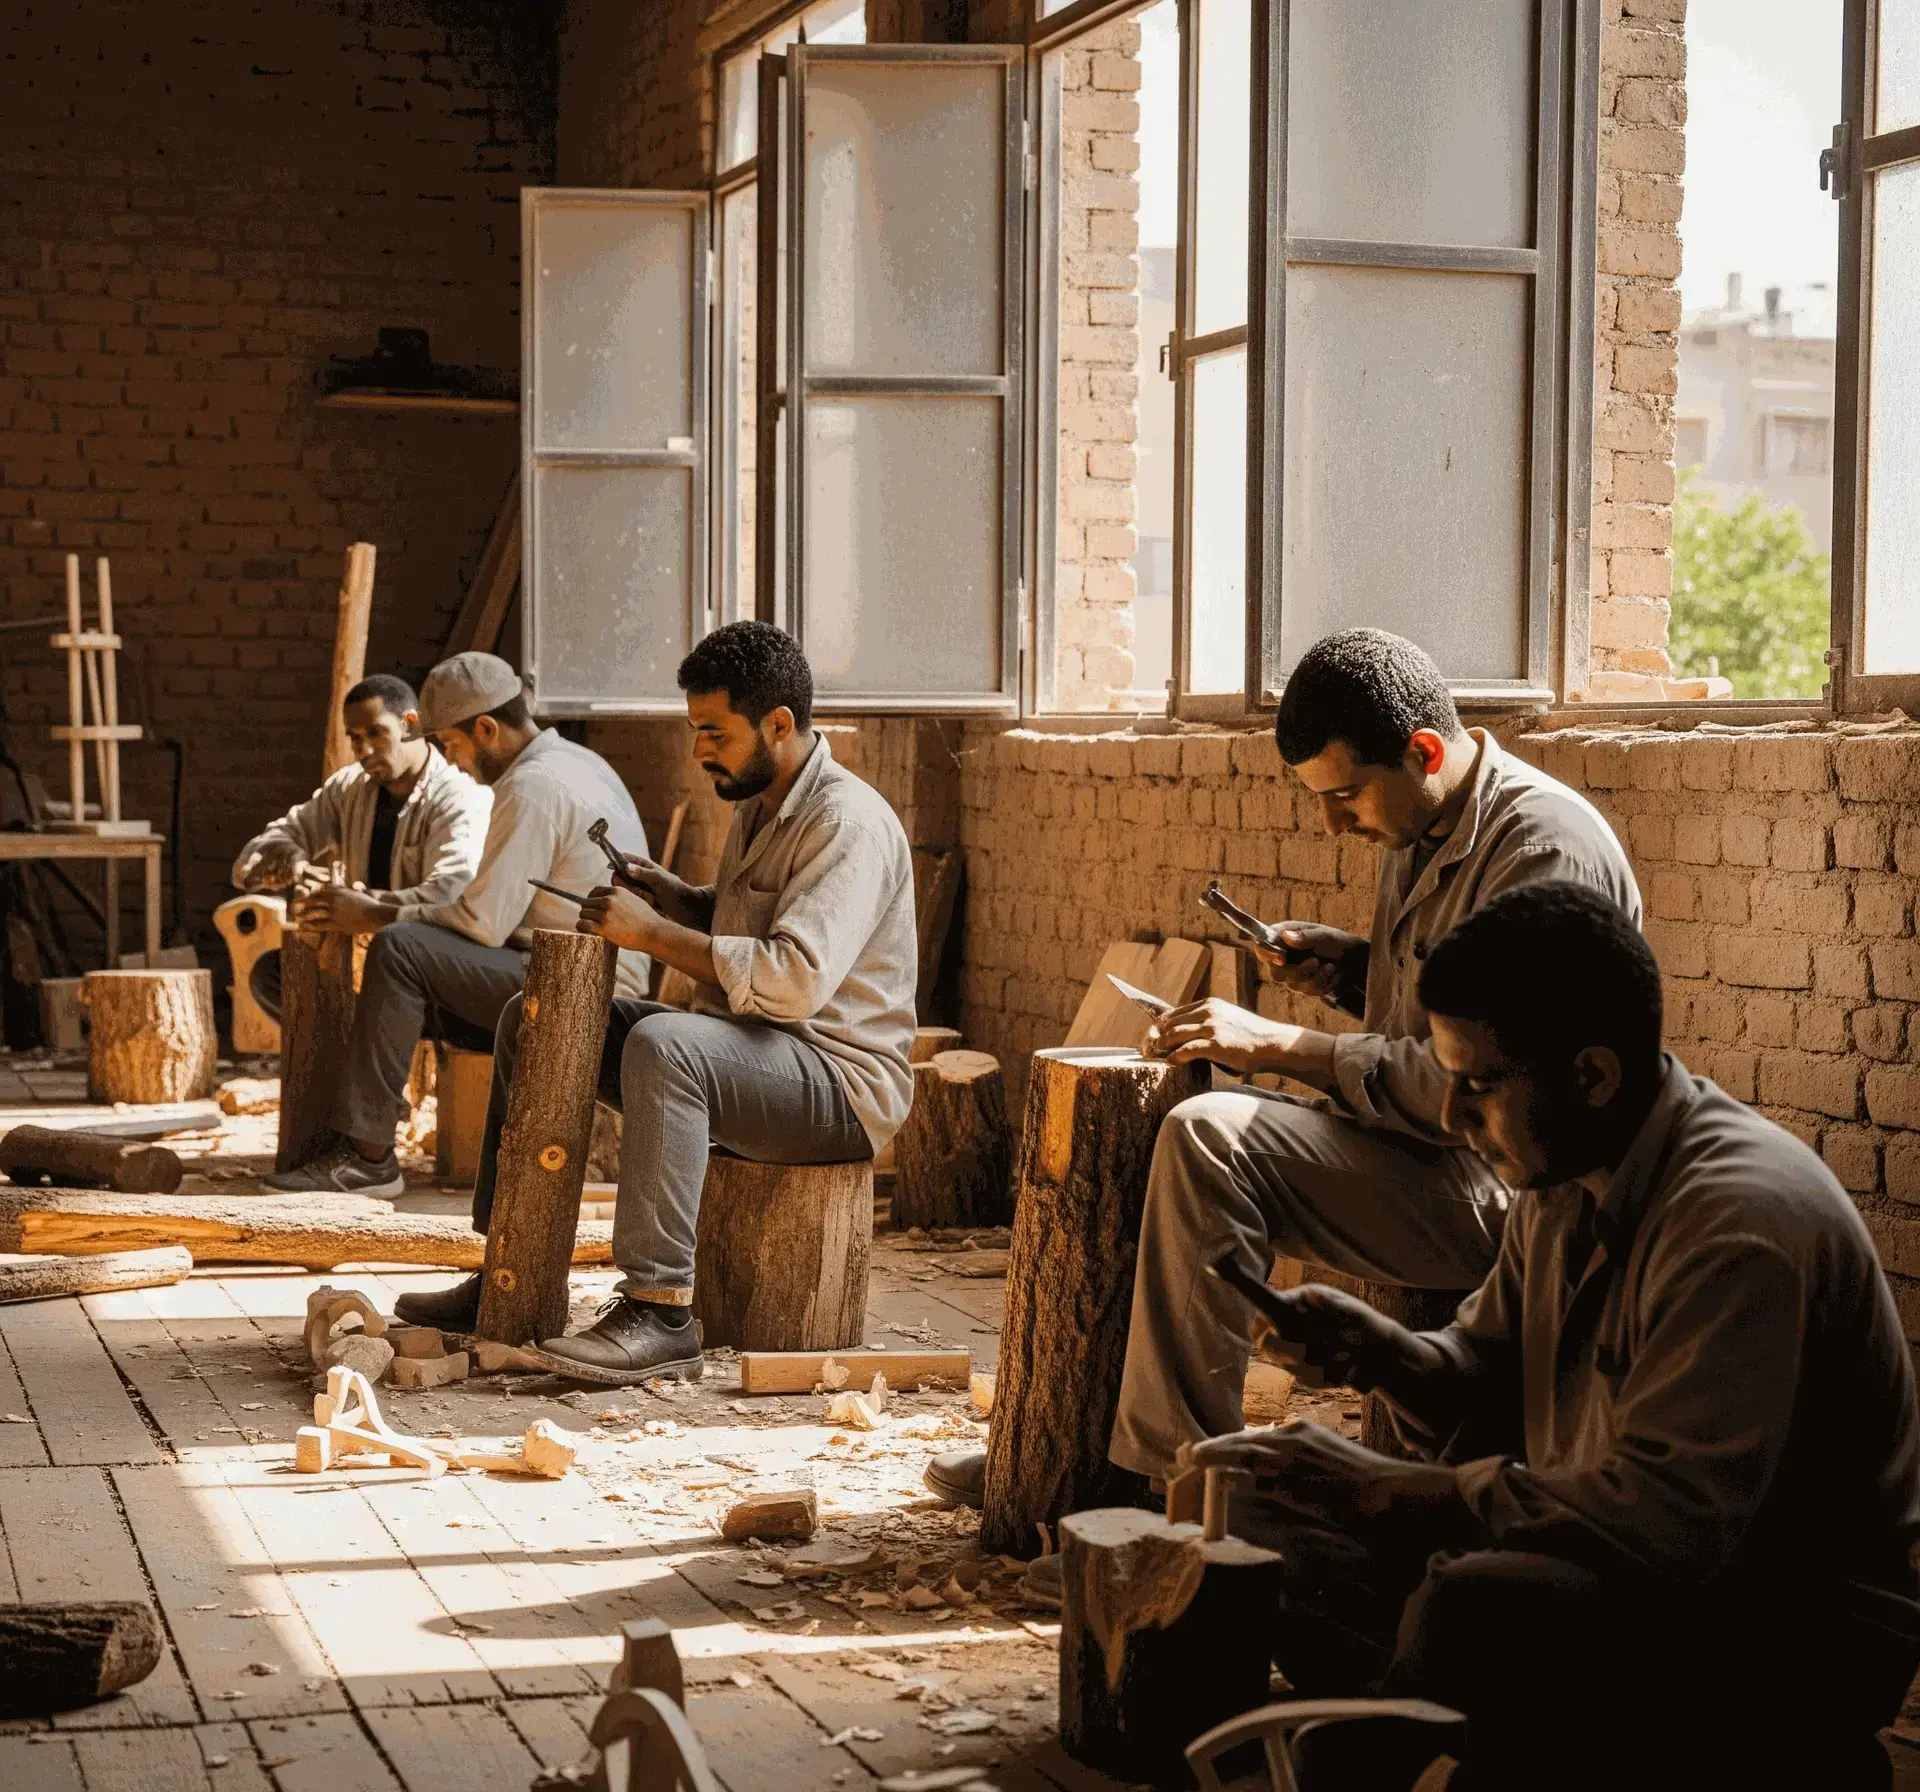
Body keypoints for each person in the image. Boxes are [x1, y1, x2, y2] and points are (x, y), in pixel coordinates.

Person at [1185, 882, 1920, 1789]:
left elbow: (1665, 1527)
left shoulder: (1739, 1226)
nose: (1454, 1117)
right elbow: (1477, 1371)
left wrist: (1403, 1494)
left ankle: (1396, 1740)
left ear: (1592, 1075)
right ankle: (1426, 1717)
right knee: (1256, 1505)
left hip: (1776, 1627)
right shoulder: (1561, 1176)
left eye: (1478, 1085)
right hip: (1606, 1561)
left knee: (1478, 1605)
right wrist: (1381, 1354)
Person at [928, 628, 1641, 1507]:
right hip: (1429, 1157)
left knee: (1211, 1138)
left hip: (1517, 1197)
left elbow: (1488, 1096)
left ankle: (1170, 1497)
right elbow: (1439, 1023)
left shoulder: (1542, 852)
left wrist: (1285, 1047)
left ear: (1422, 752)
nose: (1333, 824)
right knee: (1188, 1117)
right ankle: (1062, 1450)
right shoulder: (1423, 820)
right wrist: (1352, 969)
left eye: (1345, 797)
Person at [393, 622, 918, 1380]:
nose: (699, 751)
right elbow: (757, 925)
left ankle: (659, 1310)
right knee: (533, 1021)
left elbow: (794, 977)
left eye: (714, 733)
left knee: (666, 1047)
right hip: (765, 1053)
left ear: (778, 724)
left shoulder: (844, 822)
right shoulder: (761, 798)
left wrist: (652, 935)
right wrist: (683, 901)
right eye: (695, 730)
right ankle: (511, 1269)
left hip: (841, 1086)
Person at [265, 651, 650, 1197]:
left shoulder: (533, 787)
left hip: (586, 992)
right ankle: (359, 1128)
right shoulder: (576, 761)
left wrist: (375, 912)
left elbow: (481, 923)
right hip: (572, 971)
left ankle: (367, 1158)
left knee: (400, 949)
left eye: (453, 746)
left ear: (487, 728)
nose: (455, 762)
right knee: (398, 980)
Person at [232, 673, 489, 1022]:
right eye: (354, 739)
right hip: (358, 961)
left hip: (423, 968)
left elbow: (447, 898)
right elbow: (278, 837)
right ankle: (348, 1057)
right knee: (272, 975)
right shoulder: (349, 787)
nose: (363, 751)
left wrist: (364, 908)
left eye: (375, 734)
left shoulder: (458, 797)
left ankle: (361, 1055)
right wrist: (283, 855)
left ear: (410, 725)